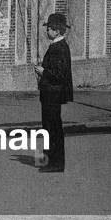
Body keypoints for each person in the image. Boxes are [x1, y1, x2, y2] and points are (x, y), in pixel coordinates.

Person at [33, 11, 73, 172]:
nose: (46, 31)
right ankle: (51, 161)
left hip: (53, 94)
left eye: (49, 28)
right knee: (50, 128)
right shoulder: (56, 46)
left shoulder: (60, 48)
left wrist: (43, 72)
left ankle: (55, 163)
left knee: (52, 129)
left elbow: (60, 74)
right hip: (51, 93)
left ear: (57, 30)